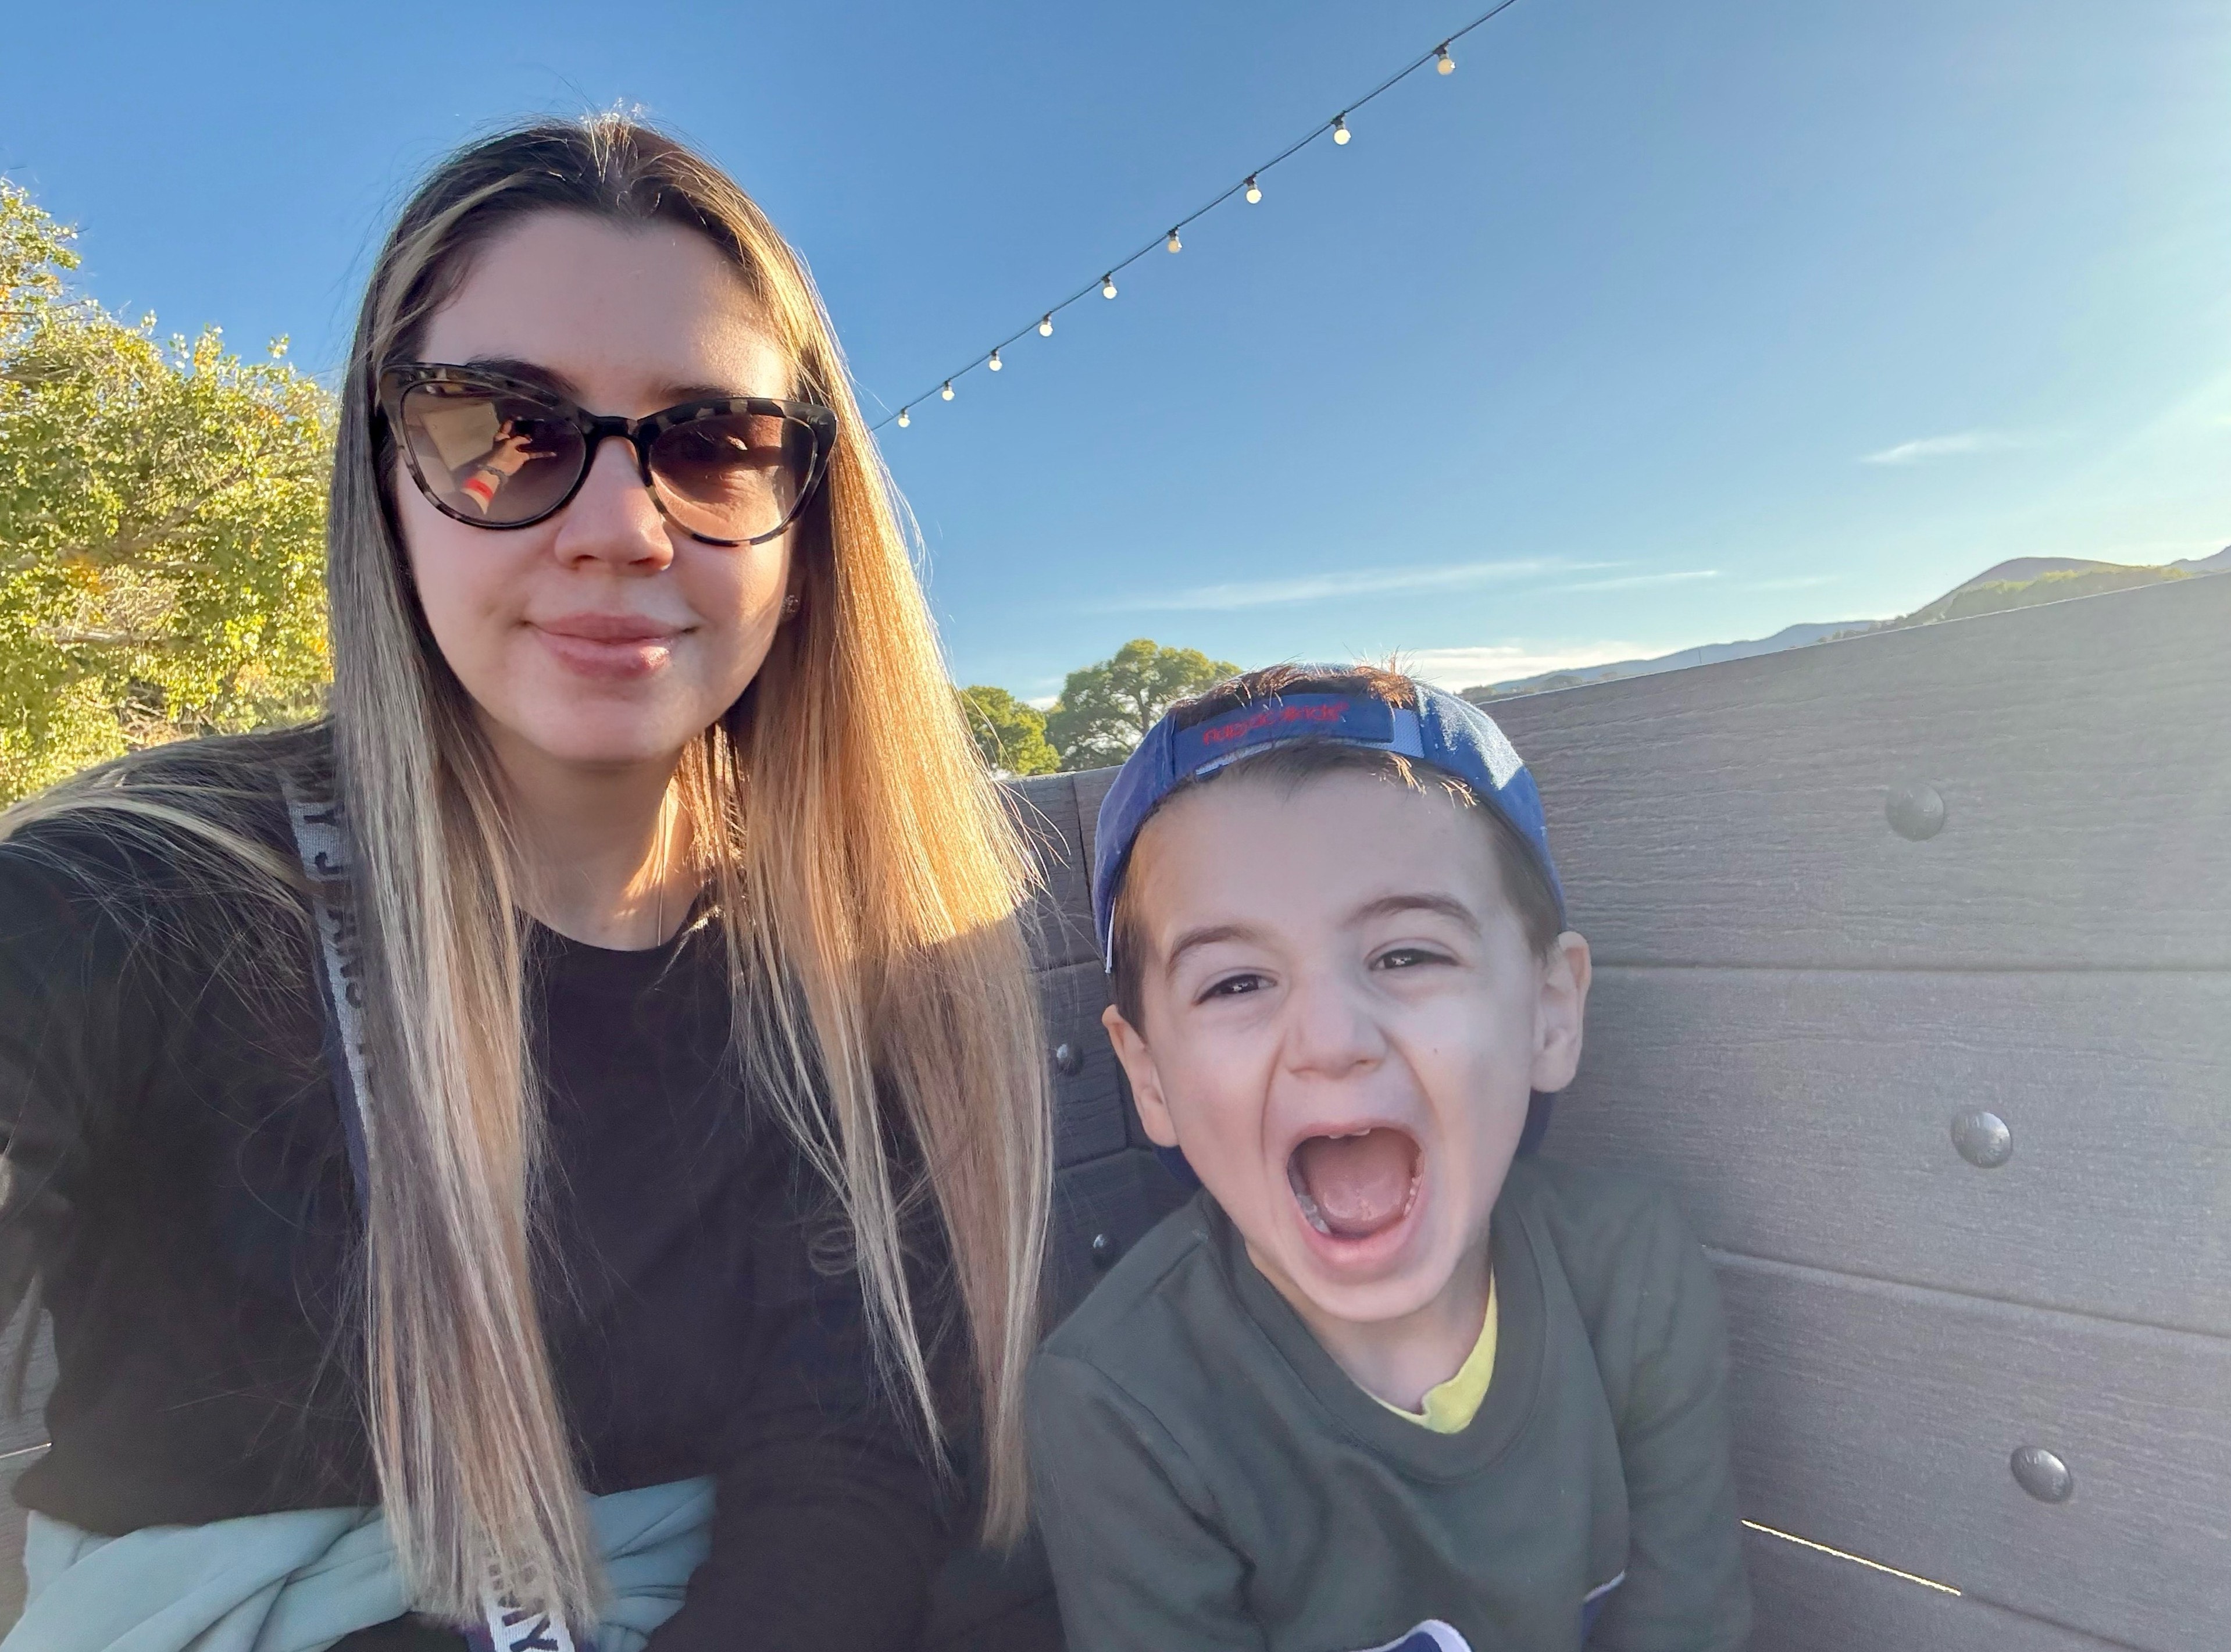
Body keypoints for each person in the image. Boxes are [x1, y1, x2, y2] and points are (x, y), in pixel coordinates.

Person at [0, 117, 1051, 1651]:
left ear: (803, 523)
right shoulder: (131, 908)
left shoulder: (854, 960)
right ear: (384, 479)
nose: (619, 530)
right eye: (501, 428)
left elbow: (848, 1468)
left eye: (713, 443)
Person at [1025, 665, 1750, 1651]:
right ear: (1148, 1075)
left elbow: (1687, 1623)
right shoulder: (1119, 1402)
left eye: (1407, 954)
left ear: (1549, 1011)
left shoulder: (1627, 1272)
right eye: (1236, 980)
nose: (1330, 1037)